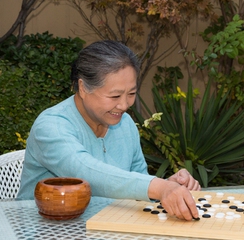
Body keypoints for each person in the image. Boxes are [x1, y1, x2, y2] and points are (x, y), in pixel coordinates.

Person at [17, 40, 201, 221]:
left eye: (131, 94)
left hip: (104, 232)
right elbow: (85, 171)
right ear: (83, 88)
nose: (124, 105)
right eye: (114, 96)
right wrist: (158, 187)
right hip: (41, 236)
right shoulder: (51, 126)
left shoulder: (125, 124)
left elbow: (136, 183)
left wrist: (168, 186)